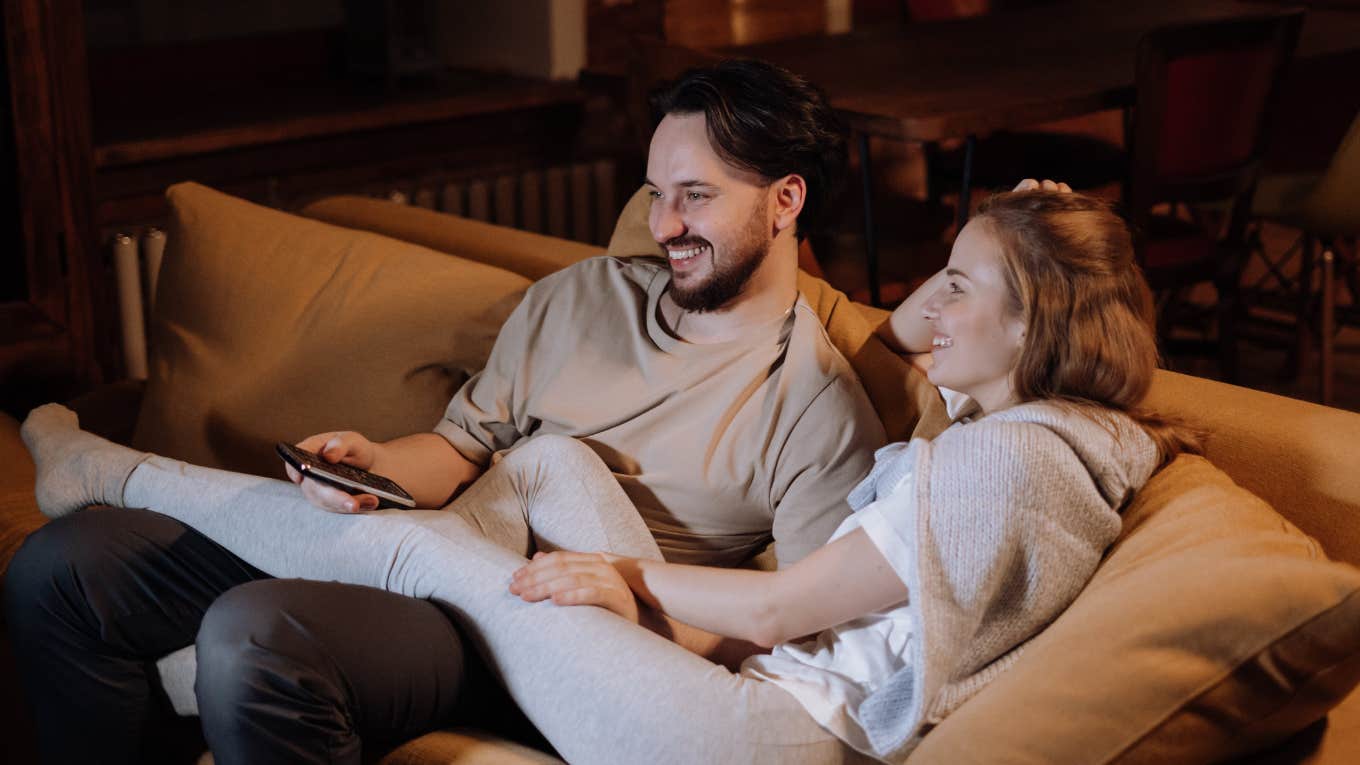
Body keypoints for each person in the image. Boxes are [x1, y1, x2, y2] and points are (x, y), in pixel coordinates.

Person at [14, 188, 1194, 763]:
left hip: (762, 740)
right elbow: (898, 338)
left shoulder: (1014, 456)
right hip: (750, 682)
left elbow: (786, 606)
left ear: (1033, 321)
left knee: (430, 555)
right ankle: (275, 526)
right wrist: (1009, 230)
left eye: (961, 286)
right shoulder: (1018, 440)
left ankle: (111, 475)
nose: (929, 307)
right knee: (550, 456)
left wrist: (619, 576)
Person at [4, 60, 887, 765]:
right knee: (68, 564)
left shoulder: (817, 410)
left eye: (695, 195)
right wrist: (374, 463)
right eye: (656, 192)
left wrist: (637, 605)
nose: (662, 224)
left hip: (536, 627)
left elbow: (797, 637)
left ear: (786, 200)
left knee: (255, 636)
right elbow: (461, 447)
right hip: (439, 534)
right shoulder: (581, 299)